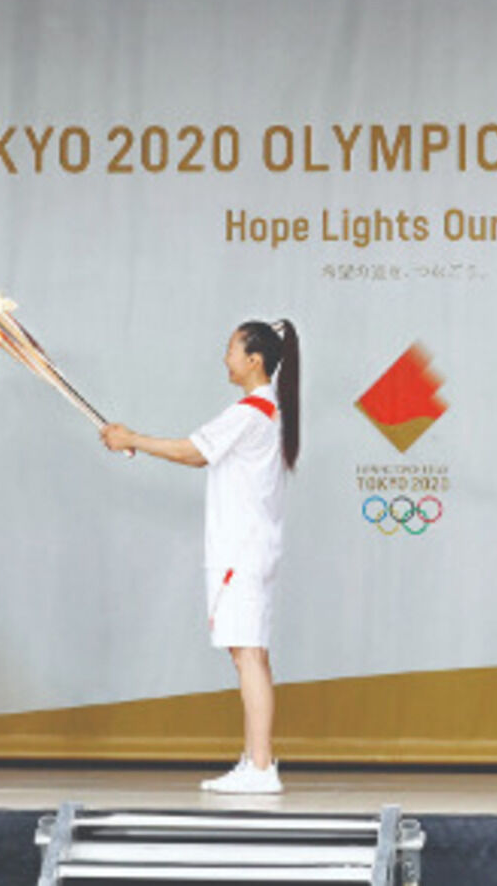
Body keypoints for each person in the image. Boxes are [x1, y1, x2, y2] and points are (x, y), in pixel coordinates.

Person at [100, 320, 300, 794]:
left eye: (231, 348)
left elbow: (193, 453)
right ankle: (256, 760)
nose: (225, 356)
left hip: (240, 550)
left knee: (247, 654)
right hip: (251, 548)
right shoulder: (267, 409)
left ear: (255, 359)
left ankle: (260, 767)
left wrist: (132, 440)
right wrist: (134, 442)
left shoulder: (252, 410)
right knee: (251, 653)